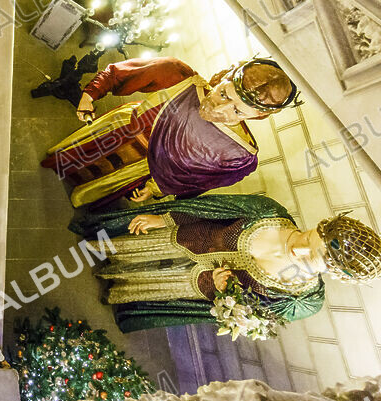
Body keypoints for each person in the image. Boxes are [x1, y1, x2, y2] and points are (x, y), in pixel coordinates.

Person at [71, 194, 381, 332]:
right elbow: (211, 208)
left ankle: (118, 289)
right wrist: (163, 218)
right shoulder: (267, 213)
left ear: (332, 272)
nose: (297, 249)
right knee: (132, 249)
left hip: (197, 285)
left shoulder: (303, 300)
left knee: (153, 284)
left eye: (310, 258)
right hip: (186, 238)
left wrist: (229, 295)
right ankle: (99, 251)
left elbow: (252, 316)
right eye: (306, 238)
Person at [42, 57, 299, 208]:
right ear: (224, 77)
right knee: (67, 159)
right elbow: (120, 73)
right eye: (223, 94)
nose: (220, 108)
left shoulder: (239, 155)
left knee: (84, 188)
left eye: (237, 111)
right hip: (115, 131)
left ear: (258, 116)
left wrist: (156, 188)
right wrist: (90, 94)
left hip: (138, 169)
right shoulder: (179, 76)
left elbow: (196, 181)